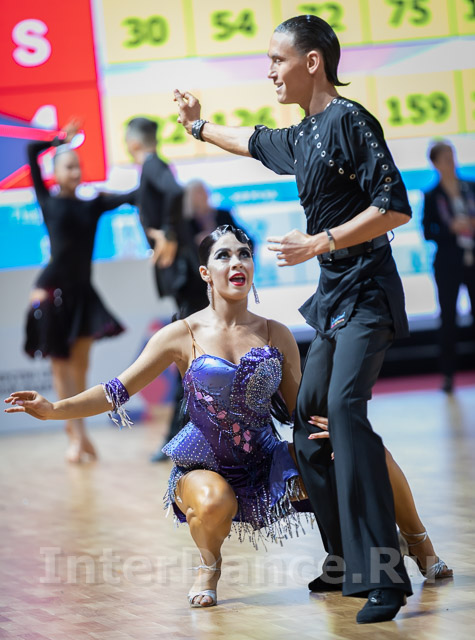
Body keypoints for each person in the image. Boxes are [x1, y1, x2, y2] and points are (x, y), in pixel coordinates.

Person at [6, 227, 451, 612]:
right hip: (206, 468)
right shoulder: (180, 334)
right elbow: (114, 391)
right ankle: (208, 567)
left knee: (368, 450)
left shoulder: (276, 333)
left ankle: (420, 545)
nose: (237, 262)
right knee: (214, 501)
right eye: (224, 255)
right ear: (206, 273)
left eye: (244, 254)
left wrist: (338, 430)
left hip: (269, 464)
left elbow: (300, 410)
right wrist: (54, 409)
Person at [174, 15, 417, 623]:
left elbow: (394, 207)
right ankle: (342, 559)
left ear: (312, 62)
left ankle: (385, 577)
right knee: (309, 428)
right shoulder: (303, 134)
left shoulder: (351, 121)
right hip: (334, 303)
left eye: (277, 60)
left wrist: (322, 240)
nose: (270, 72)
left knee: (344, 416)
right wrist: (197, 125)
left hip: (367, 297)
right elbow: (249, 141)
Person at [24, 120, 137, 463]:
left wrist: (153, 175)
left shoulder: (92, 205)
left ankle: (79, 431)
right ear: (56, 172)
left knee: (80, 368)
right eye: (68, 166)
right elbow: (31, 151)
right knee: (60, 368)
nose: (75, 171)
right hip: (52, 293)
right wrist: (60, 140)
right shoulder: (48, 201)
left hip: (84, 294)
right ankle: (76, 436)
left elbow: (131, 196)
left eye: (77, 166)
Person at [150, 179, 252, 463]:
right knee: (186, 379)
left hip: (227, 307)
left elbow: (248, 243)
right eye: (194, 195)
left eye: (203, 193)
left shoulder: (223, 216)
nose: (201, 199)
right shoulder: (182, 224)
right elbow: (173, 263)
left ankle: (239, 440)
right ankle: (173, 441)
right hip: (194, 305)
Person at [125, 118, 209, 462]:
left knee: (190, 358)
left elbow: (175, 192)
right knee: (188, 358)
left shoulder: (152, 166)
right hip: (184, 280)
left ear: (132, 143)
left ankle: (180, 438)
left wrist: (169, 233)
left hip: (185, 277)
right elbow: (150, 198)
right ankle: (181, 438)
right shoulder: (151, 169)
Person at [423, 140, 475, 393]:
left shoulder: (470, 187)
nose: (451, 162)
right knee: (448, 319)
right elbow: (427, 231)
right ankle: (448, 375)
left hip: (472, 259)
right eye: (445, 158)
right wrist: (450, 228)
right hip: (448, 264)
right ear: (435, 163)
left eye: (452, 156)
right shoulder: (432, 195)